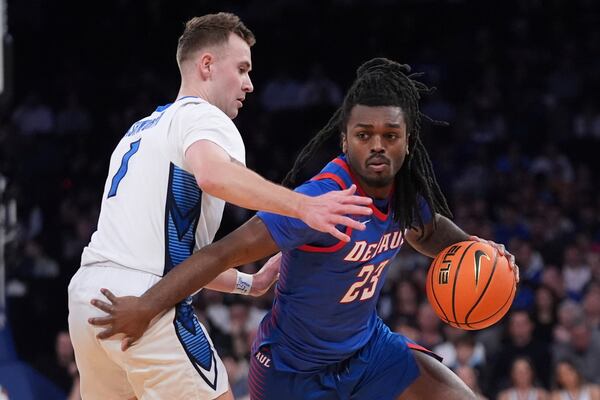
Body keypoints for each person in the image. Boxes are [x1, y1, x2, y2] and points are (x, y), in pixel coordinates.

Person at [89, 58, 519, 399]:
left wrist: (482, 253)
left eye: (391, 135)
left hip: (368, 352)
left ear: (408, 141)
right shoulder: (318, 201)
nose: (377, 145)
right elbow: (218, 254)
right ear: (344, 140)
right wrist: (145, 307)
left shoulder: (405, 195)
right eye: (364, 134)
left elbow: (427, 232)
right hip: (293, 371)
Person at [67, 12, 373, 400]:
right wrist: (302, 206)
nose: (249, 83)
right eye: (242, 69)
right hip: (145, 299)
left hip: (89, 300)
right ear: (207, 65)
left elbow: (175, 257)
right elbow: (213, 174)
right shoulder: (203, 117)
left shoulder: (140, 130)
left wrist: (252, 283)